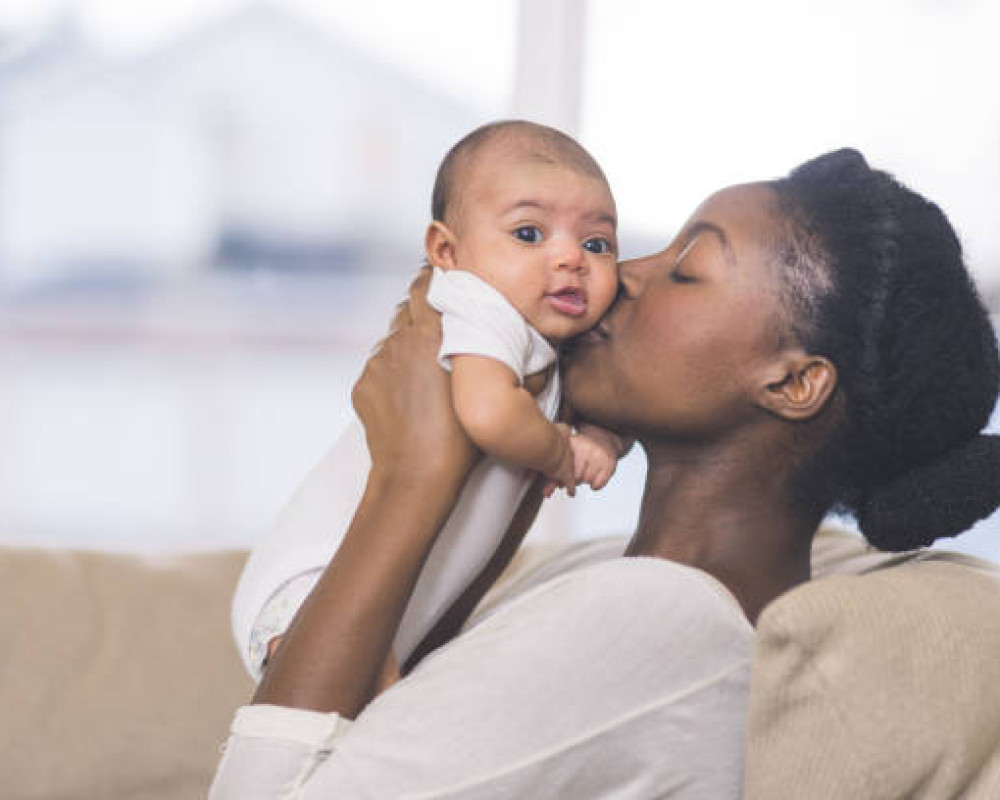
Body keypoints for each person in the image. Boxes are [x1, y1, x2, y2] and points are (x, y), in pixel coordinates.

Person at [210, 149, 1000, 799]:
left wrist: (409, 477)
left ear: (794, 383)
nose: (620, 273)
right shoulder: (618, 572)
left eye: (687, 268)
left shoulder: (659, 617)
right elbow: (397, 722)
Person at [231, 121, 628, 683]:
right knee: (369, 724)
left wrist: (604, 439)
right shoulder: (475, 305)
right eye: (529, 234)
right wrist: (563, 455)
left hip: (397, 597)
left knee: (378, 723)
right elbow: (490, 413)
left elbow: (609, 409)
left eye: (596, 243)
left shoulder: (545, 342)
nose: (570, 258)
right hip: (311, 582)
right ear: (447, 251)